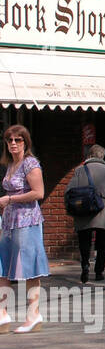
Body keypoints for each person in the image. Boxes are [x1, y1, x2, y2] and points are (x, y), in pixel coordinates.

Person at [0, 126, 50, 332]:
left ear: (25, 142)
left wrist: (10, 198)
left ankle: (33, 315)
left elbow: (39, 193)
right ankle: (2, 314)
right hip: (8, 221)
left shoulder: (30, 163)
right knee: (2, 266)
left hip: (27, 221)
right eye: (9, 140)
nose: (13, 143)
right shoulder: (11, 164)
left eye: (18, 140)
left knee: (29, 269)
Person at [72, 144, 105, 283]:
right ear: (102, 156)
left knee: (84, 240)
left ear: (90, 155)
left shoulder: (79, 170)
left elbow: (69, 191)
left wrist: (72, 210)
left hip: (84, 209)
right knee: (102, 243)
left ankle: (85, 266)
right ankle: (99, 272)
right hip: (104, 210)